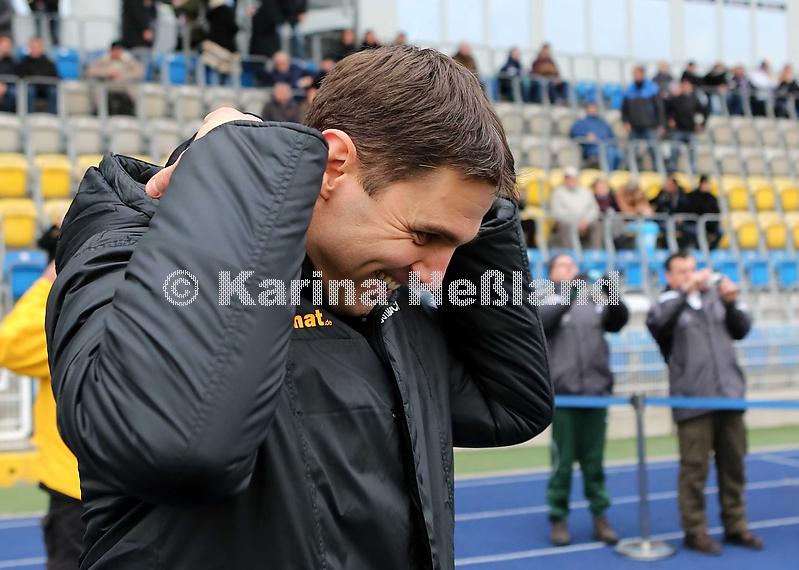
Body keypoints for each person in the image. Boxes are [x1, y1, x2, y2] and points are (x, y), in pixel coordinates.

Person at [46, 45, 553, 569]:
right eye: (424, 234)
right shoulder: (132, 247)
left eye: (457, 245)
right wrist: (243, 165)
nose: (435, 277)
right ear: (334, 166)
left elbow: (511, 406)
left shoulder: (377, 291)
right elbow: (170, 443)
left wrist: (479, 219)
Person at [646, 252, 763, 555]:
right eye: (681, 271)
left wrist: (732, 301)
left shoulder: (716, 298)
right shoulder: (666, 303)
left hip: (728, 396)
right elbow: (658, 324)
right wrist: (685, 293)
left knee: (734, 466)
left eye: (692, 269)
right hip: (692, 400)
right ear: (669, 277)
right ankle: (694, 530)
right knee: (694, 470)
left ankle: (736, 525)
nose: (690, 275)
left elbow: (742, 329)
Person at [0, 225, 84, 570]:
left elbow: (11, 344)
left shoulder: (69, 318)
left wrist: (51, 281)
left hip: (78, 486)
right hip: (146, 483)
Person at [542, 253, 628, 547]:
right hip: (565, 398)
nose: (570, 269)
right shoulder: (546, 299)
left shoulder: (594, 300)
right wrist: (568, 292)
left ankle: (600, 516)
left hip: (595, 395)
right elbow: (543, 322)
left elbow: (618, 321)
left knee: (594, 463)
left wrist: (611, 291)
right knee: (562, 463)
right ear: (552, 274)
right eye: (562, 265)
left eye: (572, 265)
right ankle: (558, 516)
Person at [86, 40, 145, 116]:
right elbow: (91, 71)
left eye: (118, 50)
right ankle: (98, 110)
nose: (116, 53)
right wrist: (108, 73)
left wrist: (123, 75)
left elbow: (139, 72)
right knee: (97, 88)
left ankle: (134, 111)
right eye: (114, 50)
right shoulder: (103, 60)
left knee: (135, 89)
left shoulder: (128, 61)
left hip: (124, 86)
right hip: (107, 85)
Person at [622, 66, 665, 170]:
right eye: (634, 74)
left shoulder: (652, 89)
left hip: (650, 126)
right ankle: (632, 169)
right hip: (634, 127)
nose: (635, 76)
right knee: (632, 150)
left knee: (654, 149)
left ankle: (657, 170)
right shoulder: (630, 89)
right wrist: (625, 121)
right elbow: (624, 109)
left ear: (642, 74)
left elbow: (659, 108)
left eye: (637, 74)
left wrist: (661, 124)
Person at [550, 166, 602, 249]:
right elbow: (558, 213)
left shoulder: (586, 191)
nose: (571, 180)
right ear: (564, 179)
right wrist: (575, 222)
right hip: (568, 222)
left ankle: (596, 252)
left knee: (597, 225)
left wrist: (586, 221)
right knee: (564, 226)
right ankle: (571, 252)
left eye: (573, 178)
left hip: (585, 222)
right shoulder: (558, 192)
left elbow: (594, 209)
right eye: (568, 178)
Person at [665, 79, 707, 173]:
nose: (686, 88)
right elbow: (667, 109)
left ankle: (692, 168)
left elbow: (704, 112)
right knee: (674, 148)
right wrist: (670, 119)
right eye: (683, 86)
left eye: (687, 86)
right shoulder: (676, 99)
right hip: (678, 129)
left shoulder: (695, 99)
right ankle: (672, 167)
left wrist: (701, 124)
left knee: (693, 150)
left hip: (691, 130)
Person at [569, 101, 623, 170]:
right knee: (610, 153)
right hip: (592, 149)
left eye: (594, 108)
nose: (593, 110)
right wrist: (585, 135)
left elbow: (611, 136)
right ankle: (607, 173)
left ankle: (614, 172)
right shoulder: (581, 123)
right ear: (587, 109)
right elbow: (573, 133)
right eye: (591, 108)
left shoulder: (602, 123)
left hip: (607, 146)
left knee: (619, 153)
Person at [15, 36, 58, 114]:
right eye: (33, 47)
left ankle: (52, 117)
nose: (35, 49)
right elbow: (20, 77)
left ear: (42, 48)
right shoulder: (23, 63)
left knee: (53, 91)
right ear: (29, 48)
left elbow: (56, 78)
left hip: (46, 88)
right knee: (30, 91)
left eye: (37, 47)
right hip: (30, 88)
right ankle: (30, 116)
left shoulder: (49, 63)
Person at [202, 0, 239, 86]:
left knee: (214, 75)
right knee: (229, 76)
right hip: (226, 47)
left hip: (213, 47)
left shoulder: (210, 13)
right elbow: (233, 27)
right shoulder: (226, 11)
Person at [682, 175, 722, 249]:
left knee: (720, 231)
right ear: (700, 184)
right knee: (696, 231)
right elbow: (688, 211)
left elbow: (717, 212)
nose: (707, 186)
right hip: (694, 223)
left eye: (708, 184)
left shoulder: (712, 198)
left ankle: (710, 249)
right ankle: (698, 248)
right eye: (705, 184)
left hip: (709, 224)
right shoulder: (691, 196)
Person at [0, 34, 16, 113]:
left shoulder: (12, 61)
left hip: (7, 86)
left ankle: (7, 115)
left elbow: (14, 76)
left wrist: (4, 85)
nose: (7, 47)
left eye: (9, 45)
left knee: (13, 92)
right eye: (5, 45)